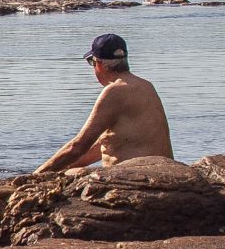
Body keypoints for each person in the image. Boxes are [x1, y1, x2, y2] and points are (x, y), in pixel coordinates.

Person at [37, 33, 174, 173]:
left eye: (91, 62)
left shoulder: (114, 92)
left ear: (99, 64)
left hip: (137, 176)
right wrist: (63, 166)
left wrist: (35, 176)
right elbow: (108, 143)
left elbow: (78, 146)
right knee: (70, 170)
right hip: (163, 170)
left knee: (69, 174)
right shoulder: (146, 86)